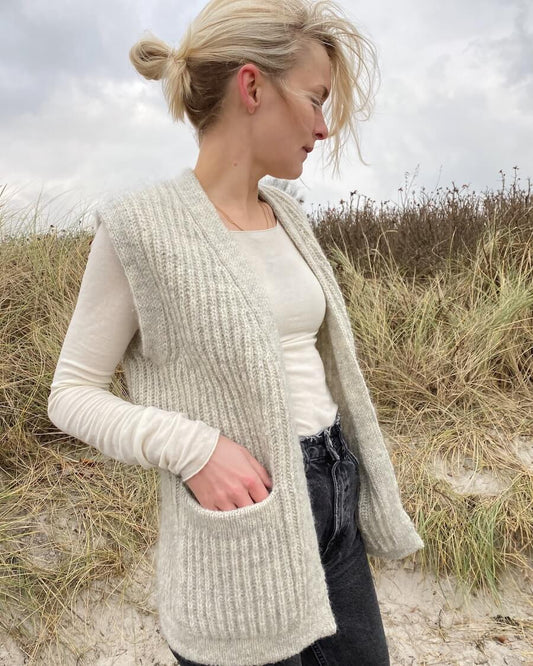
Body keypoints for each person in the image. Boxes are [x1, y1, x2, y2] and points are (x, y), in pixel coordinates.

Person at [47, 0, 424, 664]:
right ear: (252, 87)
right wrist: (195, 450)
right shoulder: (139, 227)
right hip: (241, 522)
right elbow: (71, 393)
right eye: (315, 99)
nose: (324, 127)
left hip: (334, 492)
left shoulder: (287, 215)